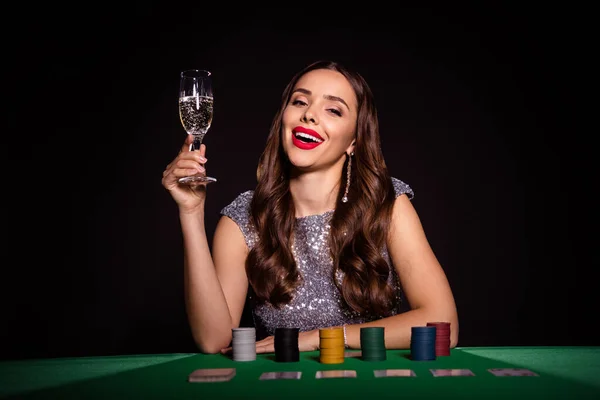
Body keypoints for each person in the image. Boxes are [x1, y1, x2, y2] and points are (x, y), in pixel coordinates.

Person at [161, 60, 459, 355]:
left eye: (333, 109)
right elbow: (213, 341)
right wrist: (191, 213)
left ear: (354, 140)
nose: (309, 115)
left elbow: (444, 324)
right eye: (300, 101)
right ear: (284, 119)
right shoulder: (244, 218)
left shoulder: (387, 204)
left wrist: (322, 338)